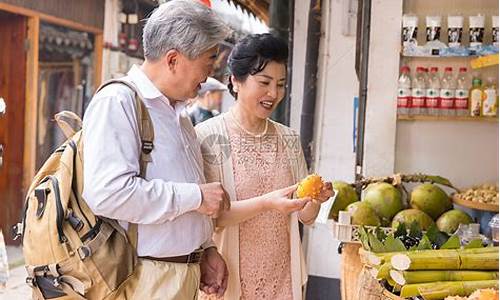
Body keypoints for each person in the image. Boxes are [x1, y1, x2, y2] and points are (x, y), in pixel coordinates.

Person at [82, 1, 232, 298]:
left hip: (178, 276)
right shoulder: (119, 102)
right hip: (143, 279)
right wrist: (197, 197)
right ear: (173, 59)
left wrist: (205, 248)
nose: (210, 72)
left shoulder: (178, 113)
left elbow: (184, 198)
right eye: (209, 60)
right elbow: (108, 193)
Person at [196, 33, 334, 300]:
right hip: (228, 278)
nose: (274, 93)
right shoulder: (208, 137)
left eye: (281, 84)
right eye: (264, 82)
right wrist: (267, 203)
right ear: (236, 81)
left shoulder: (290, 139)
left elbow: (306, 216)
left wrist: (315, 198)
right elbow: (212, 217)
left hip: (282, 279)